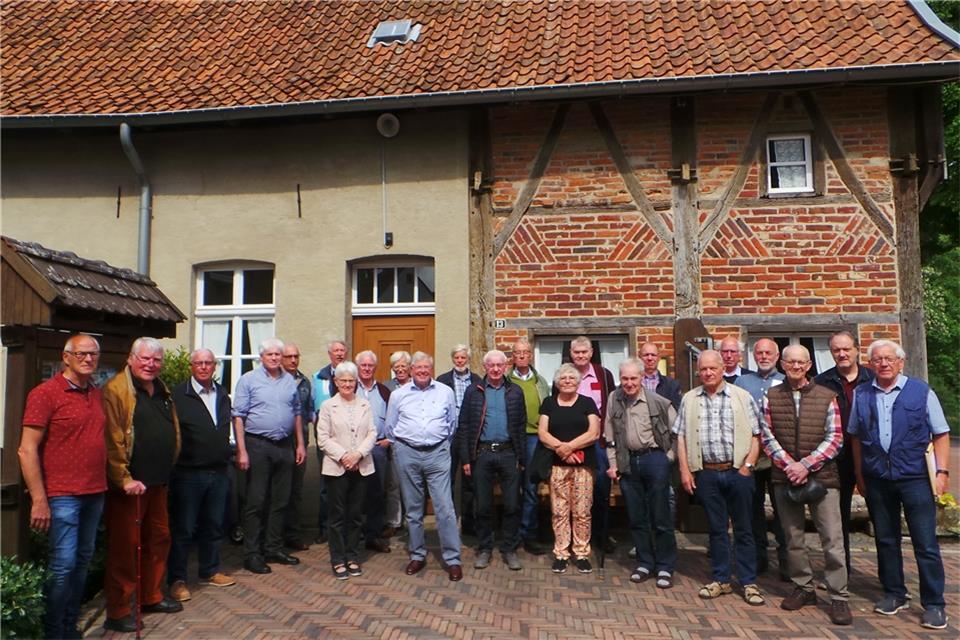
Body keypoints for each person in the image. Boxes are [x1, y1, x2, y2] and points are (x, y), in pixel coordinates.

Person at [848, 339, 950, 630]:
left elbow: (941, 433)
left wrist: (942, 472)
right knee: (885, 539)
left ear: (900, 362)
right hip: (877, 478)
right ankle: (894, 593)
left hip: (915, 478)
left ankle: (934, 604)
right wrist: (859, 475)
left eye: (889, 358)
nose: (883, 363)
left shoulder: (921, 391)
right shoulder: (862, 394)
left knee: (925, 543)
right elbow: (856, 437)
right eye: (877, 359)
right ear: (870, 364)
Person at [18, 334, 107, 639]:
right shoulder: (45, 394)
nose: (88, 359)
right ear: (66, 357)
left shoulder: (95, 393)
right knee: (63, 566)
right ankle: (54, 632)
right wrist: (39, 499)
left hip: (94, 492)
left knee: (81, 563)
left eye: (93, 354)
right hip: (62, 495)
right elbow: (26, 449)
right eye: (81, 354)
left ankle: (69, 627)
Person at [761, 345, 851, 625]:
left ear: (809, 365)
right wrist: (789, 465)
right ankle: (803, 587)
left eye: (801, 362)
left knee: (832, 540)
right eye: (791, 362)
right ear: (783, 364)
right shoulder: (771, 396)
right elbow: (766, 435)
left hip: (823, 477)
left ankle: (838, 596)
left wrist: (806, 465)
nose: (796, 367)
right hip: (784, 476)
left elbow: (835, 438)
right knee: (793, 538)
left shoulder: (827, 396)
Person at [102, 337, 183, 633]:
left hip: (158, 482)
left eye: (156, 360)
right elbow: (112, 440)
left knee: (159, 540)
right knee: (126, 548)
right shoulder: (115, 390)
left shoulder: (162, 389)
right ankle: (119, 609)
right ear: (131, 359)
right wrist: (123, 478)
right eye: (145, 359)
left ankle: (151, 595)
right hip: (130, 486)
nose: (151, 364)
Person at [674, 349, 765, 606]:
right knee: (716, 530)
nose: (708, 373)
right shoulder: (690, 399)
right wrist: (685, 470)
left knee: (744, 529)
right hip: (708, 473)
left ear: (723, 369)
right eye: (703, 369)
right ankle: (721, 579)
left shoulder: (741, 396)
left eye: (712, 368)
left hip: (737, 472)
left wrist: (748, 466)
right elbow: (680, 436)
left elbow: (757, 435)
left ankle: (748, 582)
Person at [386, 352, 463, 581]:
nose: (422, 371)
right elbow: (390, 427)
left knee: (445, 508)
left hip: (438, 454)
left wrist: (439, 444)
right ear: (411, 370)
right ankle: (417, 554)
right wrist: (403, 447)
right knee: (413, 509)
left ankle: (453, 559)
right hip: (407, 453)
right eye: (417, 367)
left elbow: (452, 425)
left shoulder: (445, 392)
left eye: (426, 367)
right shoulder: (398, 395)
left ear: (431, 369)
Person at [167, 349, 236, 604]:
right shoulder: (178, 395)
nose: (204, 367)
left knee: (214, 525)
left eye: (208, 363)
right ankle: (177, 579)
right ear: (191, 366)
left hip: (218, 470)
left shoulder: (222, 393)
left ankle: (209, 570)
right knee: (184, 529)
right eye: (199, 363)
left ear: (214, 366)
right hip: (189, 472)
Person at [232, 338, 306, 575]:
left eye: (277, 354)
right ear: (261, 357)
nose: (274, 358)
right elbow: (238, 416)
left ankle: (273, 547)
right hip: (257, 445)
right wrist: (242, 450)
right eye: (270, 354)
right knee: (256, 501)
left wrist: (300, 444)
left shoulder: (289, 381)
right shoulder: (248, 380)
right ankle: (252, 554)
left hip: (284, 445)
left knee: (281, 500)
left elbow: (297, 413)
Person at [605, 358, 678, 588]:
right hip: (628, 461)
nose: (628, 383)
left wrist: (668, 458)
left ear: (642, 378)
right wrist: (613, 463)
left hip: (654, 459)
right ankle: (645, 562)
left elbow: (677, 433)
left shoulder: (658, 402)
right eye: (624, 378)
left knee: (660, 517)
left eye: (633, 378)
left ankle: (665, 566)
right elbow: (609, 435)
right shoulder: (614, 399)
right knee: (637, 517)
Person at [458, 350, 527, 571]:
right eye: (491, 365)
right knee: (483, 506)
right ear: (485, 367)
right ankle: (485, 548)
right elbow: (464, 426)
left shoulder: (515, 391)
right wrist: (466, 458)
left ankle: (509, 549)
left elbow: (521, 427)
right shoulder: (473, 391)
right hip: (483, 453)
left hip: (508, 453)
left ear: (505, 367)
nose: (495, 369)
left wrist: (521, 458)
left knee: (512, 504)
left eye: (499, 365)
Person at [814, 330, 874, 574]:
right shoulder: (821, 382)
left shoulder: (873, 379)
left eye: (846, 349)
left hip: (870, 457)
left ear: (857, 349)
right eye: (836, 350)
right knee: (837, 520)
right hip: (836, 460)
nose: (842, 354)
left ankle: (889, 578)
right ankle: (841, 573)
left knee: (882, 519)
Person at [316, 362, 377, 580]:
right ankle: (337, 559)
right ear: (336, 382)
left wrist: (358, 454)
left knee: (356, 515)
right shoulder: (327, 406)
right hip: (337, 468)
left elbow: (372, 433)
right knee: (337, 516)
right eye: (343, 381)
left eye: (351, 381)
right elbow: (322, 438)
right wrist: (344, 456)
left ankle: (352, 556)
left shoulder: (365, 405)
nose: (348, 384)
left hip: (361, 466)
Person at [538, 363, 600, 574]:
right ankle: (561, 553)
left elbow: (593, 433)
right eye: (563, 378)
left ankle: (581, 553)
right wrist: (561, 450)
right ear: (557, 382)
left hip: (583, 466)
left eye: (571, 378)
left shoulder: (587, 402)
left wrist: (569, 447)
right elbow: (543, 433)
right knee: (559, 511)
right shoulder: (548, 403)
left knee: (582, 511)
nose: (567, 381)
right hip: (558, 465)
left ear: (578, 382)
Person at [735, 338, 787, 578]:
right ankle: (758, 557)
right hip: (752, 454)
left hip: (780, 455)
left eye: (768, 353)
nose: (764, 357)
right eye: (760, 353)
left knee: (783, 509)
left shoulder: (786, 381)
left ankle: (787, 560)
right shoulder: (743, 382)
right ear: (753, 356)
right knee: (753, 509)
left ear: (777, 356)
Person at [562, 336, 616, 553]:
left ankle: (602, 535)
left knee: (601, 490)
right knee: (573, 492)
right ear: (571, 354)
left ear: (592, 352)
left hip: (598, 442)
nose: (581, 355)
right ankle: (574, 538)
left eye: (584, 352)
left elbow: (611, 407)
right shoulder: (565, 375)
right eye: (577, 352)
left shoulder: (604, 375)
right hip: (572, 443)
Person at [508, 338, 551, 555]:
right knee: (512, 488)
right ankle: (512, 535)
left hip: (534, 438)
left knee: (531, 489)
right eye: (518, 352)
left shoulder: (539, 381)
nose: (522, 355)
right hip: (512, 439)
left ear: (531, 355)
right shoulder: (506, 380)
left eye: (525, 352)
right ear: (513, 356)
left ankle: (529, 535)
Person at [437, 344, 482, 535]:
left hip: (470, 435)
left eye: (463, 357)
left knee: (469, 479)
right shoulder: (442, 380)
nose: (460, 361)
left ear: (468, 359)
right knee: (446, 478)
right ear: (452, 359)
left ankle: (469, 521)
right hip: (449, 435)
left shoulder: (477, 380)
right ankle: (448, 520)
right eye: (457, 357)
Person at [354, 350, 393, 553]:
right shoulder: (350, 387)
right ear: (357, 367)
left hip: (378, 448)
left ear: (375, 368)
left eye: (370, 365)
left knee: (376, 493)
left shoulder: (384, 391)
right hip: (355, 449)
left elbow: (394, 417)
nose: (367, 369)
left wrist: (389, 439)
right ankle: (353, 535)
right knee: (354, 492)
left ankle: (373, 535)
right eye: (364, 365)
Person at [311, 339, 348, 543]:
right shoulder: (318, 376)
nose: (339, 354)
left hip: (348, 437)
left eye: (342, 350)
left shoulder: (352, 374)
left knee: (349, 485)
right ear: (329, 354)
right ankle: (325, 528)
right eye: (336, 351)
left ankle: (346, 528)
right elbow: (311, 406)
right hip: (326, 438)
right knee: (326, 484)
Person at [280, 342, 315, 551]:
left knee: (295, 490)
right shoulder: (274, 380)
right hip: (279, 442)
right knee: (277, 490)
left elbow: (308, 411)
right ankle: (273, 536)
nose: (293, 360)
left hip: (300, 443)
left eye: (296, 356)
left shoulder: (304, 382)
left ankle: (292, 534)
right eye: (289, 357)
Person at [382, 350, 411, 534]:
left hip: (413, 442)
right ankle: (394, 522)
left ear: (409, 367)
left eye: (403, 366)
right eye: (396, 366)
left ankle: (413, 521)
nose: (400, 369)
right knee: (394, 484)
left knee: (414, 483)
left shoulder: (418, 384)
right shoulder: (386, 387)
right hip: (394, 441)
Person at [638, 342, 682, 409]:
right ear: (640, 357)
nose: (649, 358)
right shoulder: (632, 383)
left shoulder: (671, 385)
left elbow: (676, 410)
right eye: (646, 355)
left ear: (659, 358)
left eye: (653, 355)